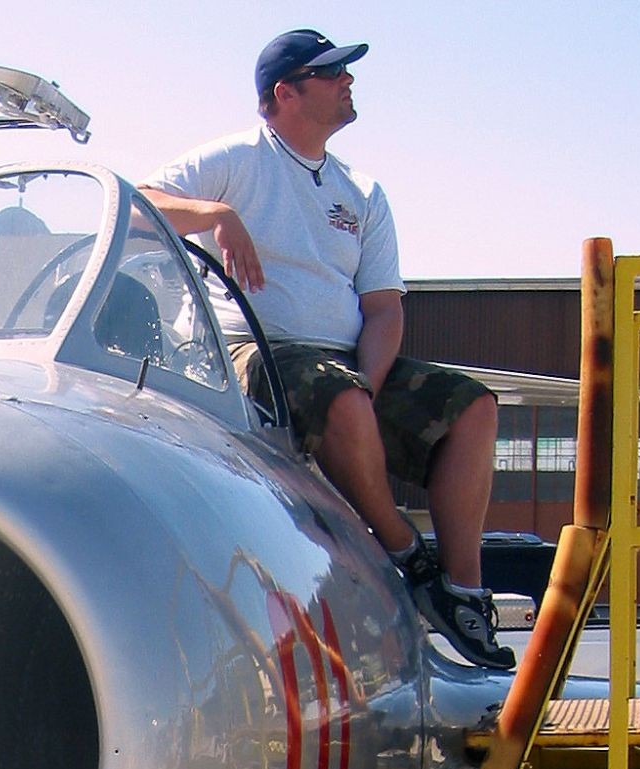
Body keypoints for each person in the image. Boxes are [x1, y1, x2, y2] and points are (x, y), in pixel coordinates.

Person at [142, 29, 513, 669]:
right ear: (285, 93)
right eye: (332, 72)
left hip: (343, 362)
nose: (348, 82)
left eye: (346, 71)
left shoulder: (363, 192)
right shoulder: (232, 160)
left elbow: (383, 309)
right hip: (251, 354)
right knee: (340, 397)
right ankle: (405, 552)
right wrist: (216, 214)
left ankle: (461, 592)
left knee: (474, 406)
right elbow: (139, 203)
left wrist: (369, 381)